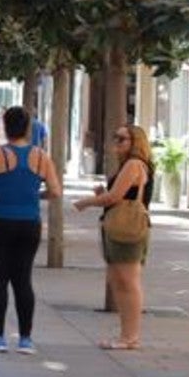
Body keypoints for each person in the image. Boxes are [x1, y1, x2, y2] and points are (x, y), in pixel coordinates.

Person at [0, 106, 62, 355]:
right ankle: (25, 339)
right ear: (28, 128)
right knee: (23, 280)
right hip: (28, 223)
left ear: (5, 126)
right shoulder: (41, 157)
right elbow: (55, 191)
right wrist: (34, 193)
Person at [73, 125, 154, 350]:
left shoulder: (134, 164)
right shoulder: (130, 165)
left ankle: (130, 336)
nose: (117, 142)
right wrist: (102, 194)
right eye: (115, 137)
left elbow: (115, 197)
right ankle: (126, 335)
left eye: (122, 139)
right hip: (121, 226)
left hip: (127, 229)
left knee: (128, 281)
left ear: (135, 142)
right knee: (119, 280)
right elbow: (118, 196)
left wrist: (86, 202)